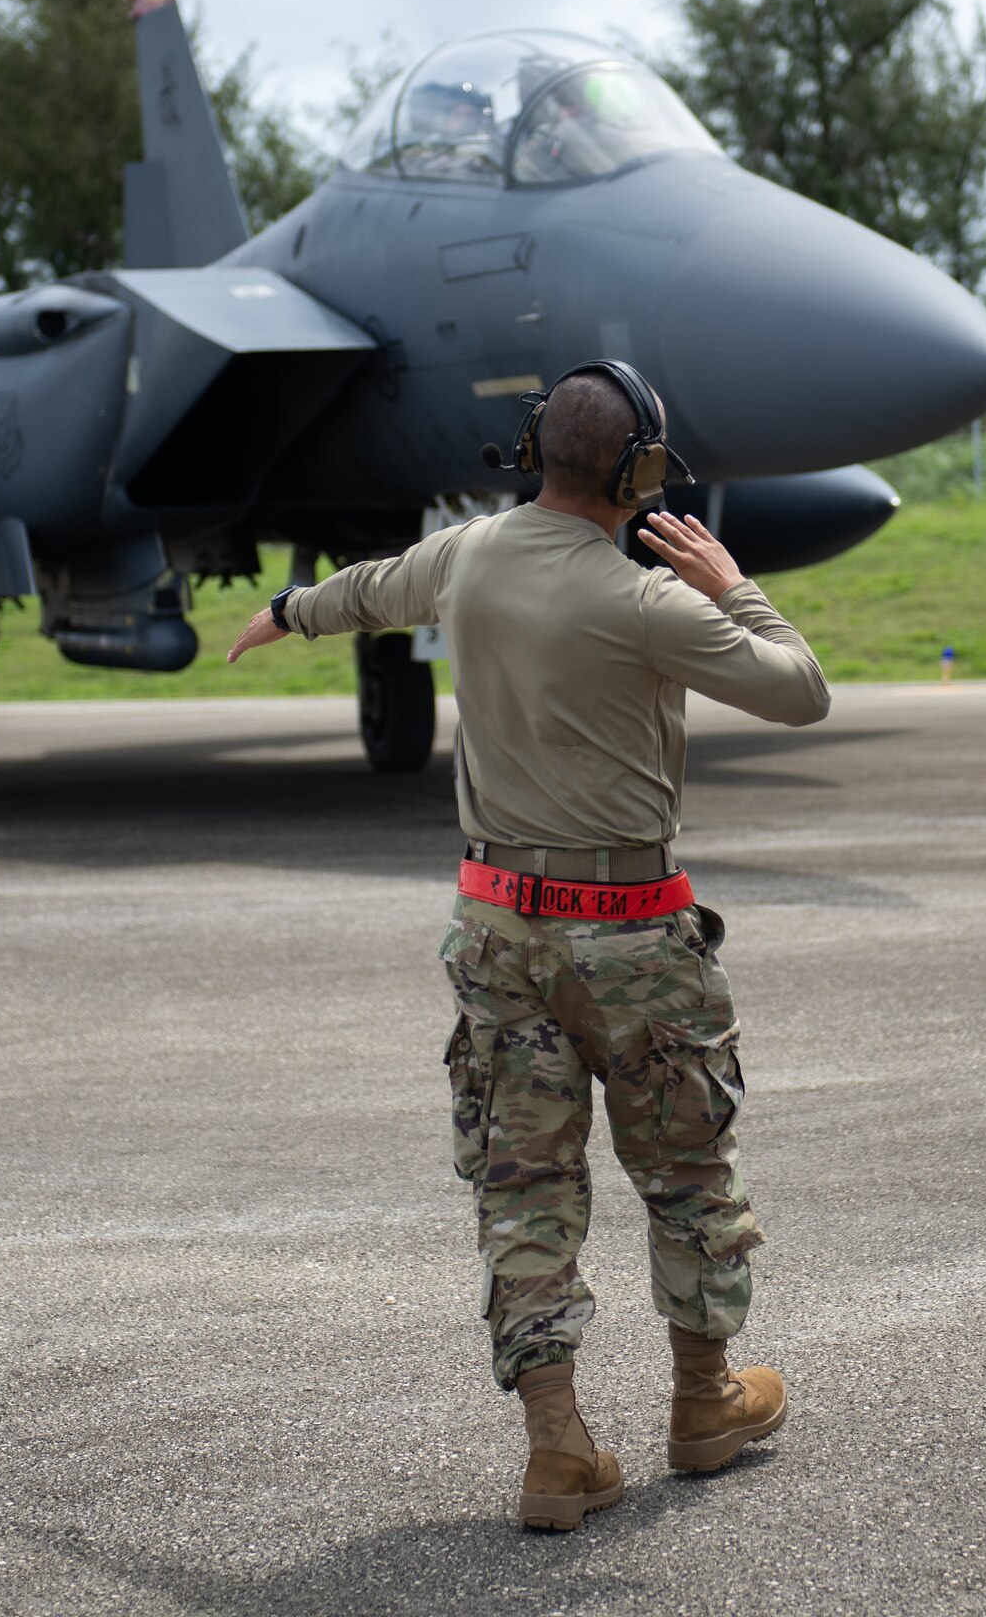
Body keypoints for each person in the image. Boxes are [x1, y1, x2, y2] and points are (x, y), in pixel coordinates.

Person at [227, 364, 830, 1532]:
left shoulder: (468, 554)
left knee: (525, 1182)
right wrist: (734, 585)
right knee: (688, 1169)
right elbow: (798, 690)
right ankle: (704, 1404)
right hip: (634, 938)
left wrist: (293, 609)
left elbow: (370, 590)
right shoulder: (648, 601)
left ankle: (559, 1450)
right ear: (640, 471)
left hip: (499, 925)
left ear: (531, 451)